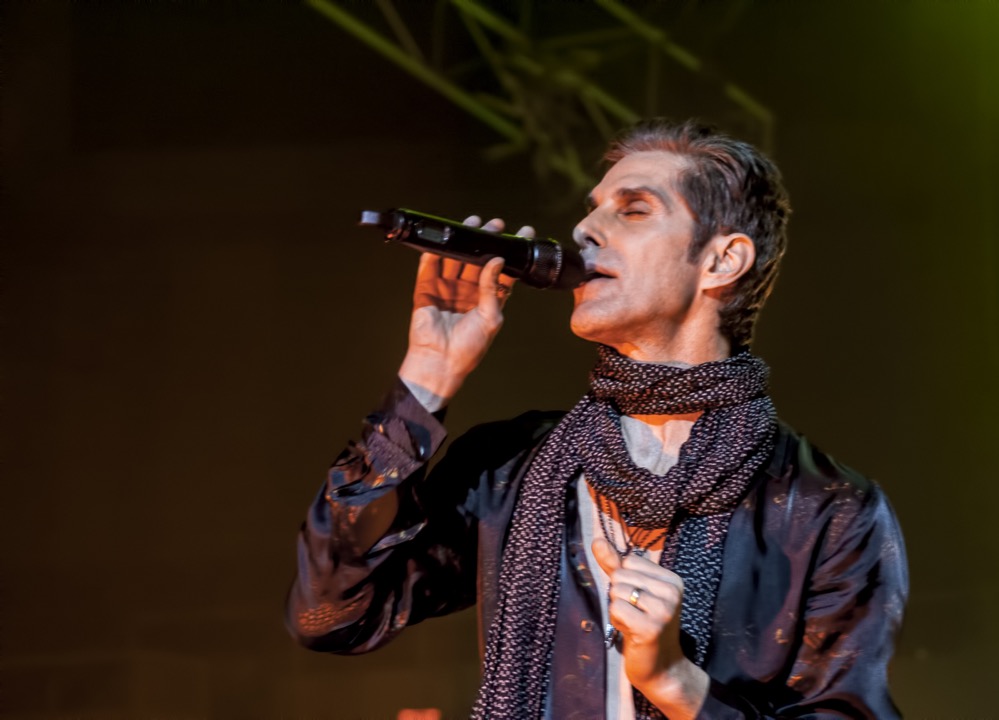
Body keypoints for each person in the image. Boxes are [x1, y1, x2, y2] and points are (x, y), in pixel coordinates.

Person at [286, 119, 908, 719]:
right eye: (592, 209)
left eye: (633, 210)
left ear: (722, 261)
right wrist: (427, 376)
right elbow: (334, 615)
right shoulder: (509, 468)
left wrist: (679, 685)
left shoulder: (826, 508)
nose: (584, 229)